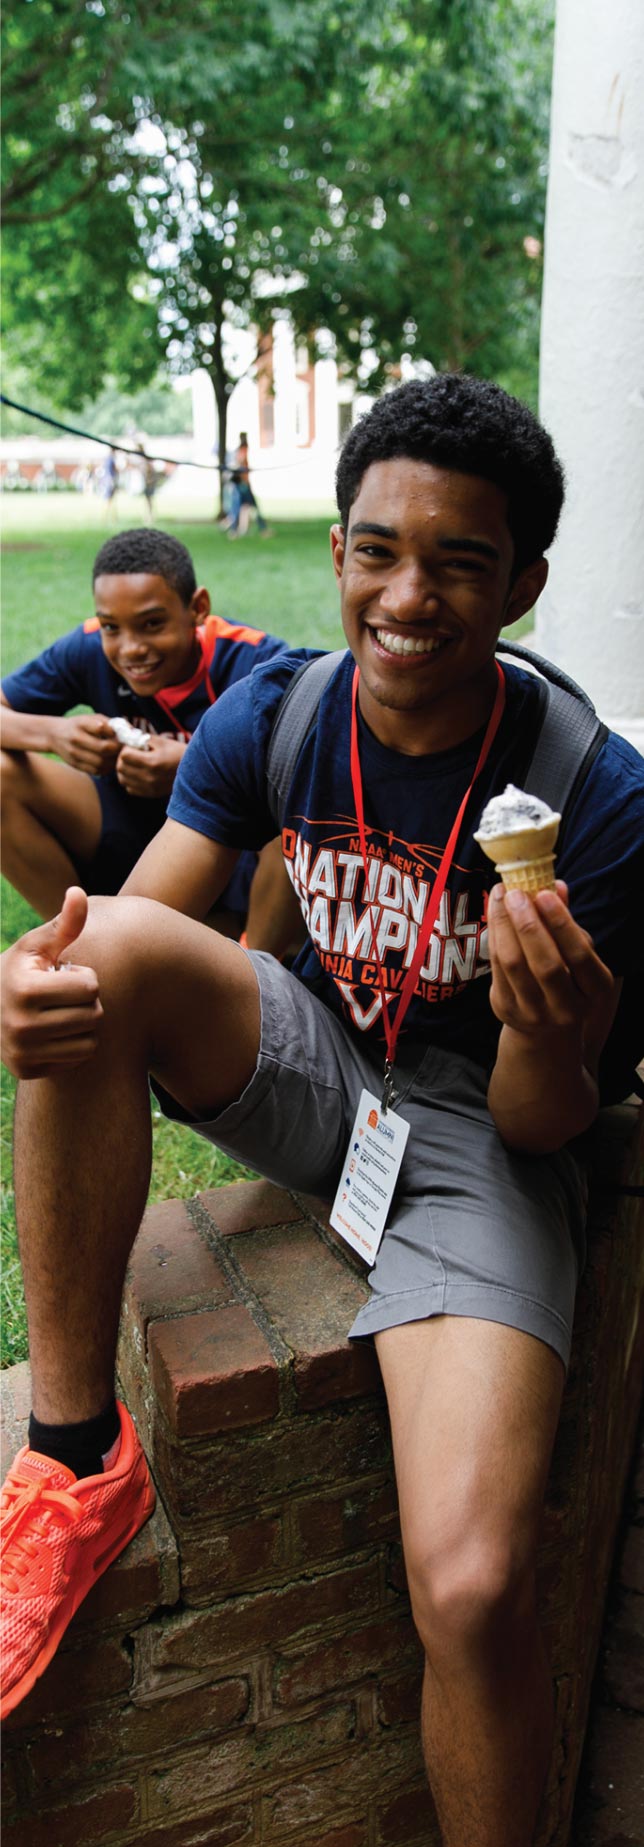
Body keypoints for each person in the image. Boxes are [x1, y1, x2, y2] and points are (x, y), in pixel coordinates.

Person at [1, 376, 643, 1847]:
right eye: (375, 549)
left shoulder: (597, 802)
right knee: (92, 961)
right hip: (328, 1065)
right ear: (341, 552)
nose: (406, 595)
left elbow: (550, 1125)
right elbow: (124, 925)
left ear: (524, 581)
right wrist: (35, 985)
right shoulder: (276, 713)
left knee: (475, 1584)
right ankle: (73, 1450)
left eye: (459, 561)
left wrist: (556, 1027)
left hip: (487, 1134)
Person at [0, 527, 299, 949]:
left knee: (292, 813)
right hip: (129, 831)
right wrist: (55, 732)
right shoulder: (89, 646)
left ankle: (255, 971)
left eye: (152, 624)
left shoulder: (256, 661)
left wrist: (194, 766)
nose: (131, 648)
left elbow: (309, 766)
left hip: (230, 858)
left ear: (198, 608)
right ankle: (83, 950)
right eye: (111, 627)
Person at [226, 431, 271, 537]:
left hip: (243, 484)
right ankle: (261, 528)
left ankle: (239, 529)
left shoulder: (241, 450)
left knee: (242, 507)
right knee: (245, 507)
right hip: (243, 485)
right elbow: (240, 464)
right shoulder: (242, 450)